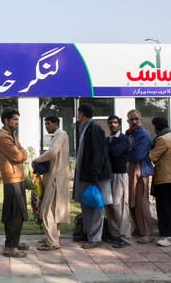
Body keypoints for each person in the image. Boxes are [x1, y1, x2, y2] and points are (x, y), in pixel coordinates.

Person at [73, 104, 112, 249]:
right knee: (88, 206)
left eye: (78, 113)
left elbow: (98, 154)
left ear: (81, 114)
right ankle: (90, 235)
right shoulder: (87, 128)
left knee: (95, 207)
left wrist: (94, 177)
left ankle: (95, 238)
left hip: (94, 177)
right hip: (88, 176)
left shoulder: (94, 129)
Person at [0, 107, 29, 258]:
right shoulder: (3, 137)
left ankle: (12, 242)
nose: (16, 122)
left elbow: (21, 151)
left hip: (16, 178)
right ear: (6, 120)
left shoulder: (10, 134)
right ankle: (10, 247)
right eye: (14, 119)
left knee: (13, 213)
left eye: (17, 120)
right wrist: (23, 153)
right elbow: (18, 155)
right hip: (12, 179)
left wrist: (23, 152)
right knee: (15, 214)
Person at [33, 115, 70, 251]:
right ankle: (52, 237)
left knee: (46, 210)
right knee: (53, 209)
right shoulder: (58, 135)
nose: (46, 127)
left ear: (55, 124)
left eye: (48, 124)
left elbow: (52, 152)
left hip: (56, 177)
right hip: (56, 176)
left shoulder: (60, 134)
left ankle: (53, 241)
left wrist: (37, 159)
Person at [148, 117, 171, 247]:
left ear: (157, 127)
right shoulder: (168, 137)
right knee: (165, 208)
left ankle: (169, 236)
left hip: (166, 179)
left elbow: (152, 156)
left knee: (165, 209)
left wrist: (147, 150)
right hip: (169, 178)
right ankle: (167, 233)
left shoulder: (162, 139)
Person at [126, 109, 154, 244]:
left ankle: (147, 233)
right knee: (132, 201)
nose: (134, 122)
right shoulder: (132, 134)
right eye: (131, 120)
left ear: (140, 120)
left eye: (136, 119)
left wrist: (124, 152)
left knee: (141, 203)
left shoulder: (143, 135)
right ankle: (138, 229)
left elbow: (136, 155)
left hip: (140, 171)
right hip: (131, 170)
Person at [105, 115, 132, 248]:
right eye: (110, 123)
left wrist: (104, 149)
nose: (113, 125)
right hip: (109, 175)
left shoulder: (123, 139)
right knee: (109, 205)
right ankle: (115, 234)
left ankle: (125, 236)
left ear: (119, 125)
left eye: (115, 123)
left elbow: (113, 153)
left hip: (120, 175)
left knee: (120, 206)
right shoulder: (108, 139)